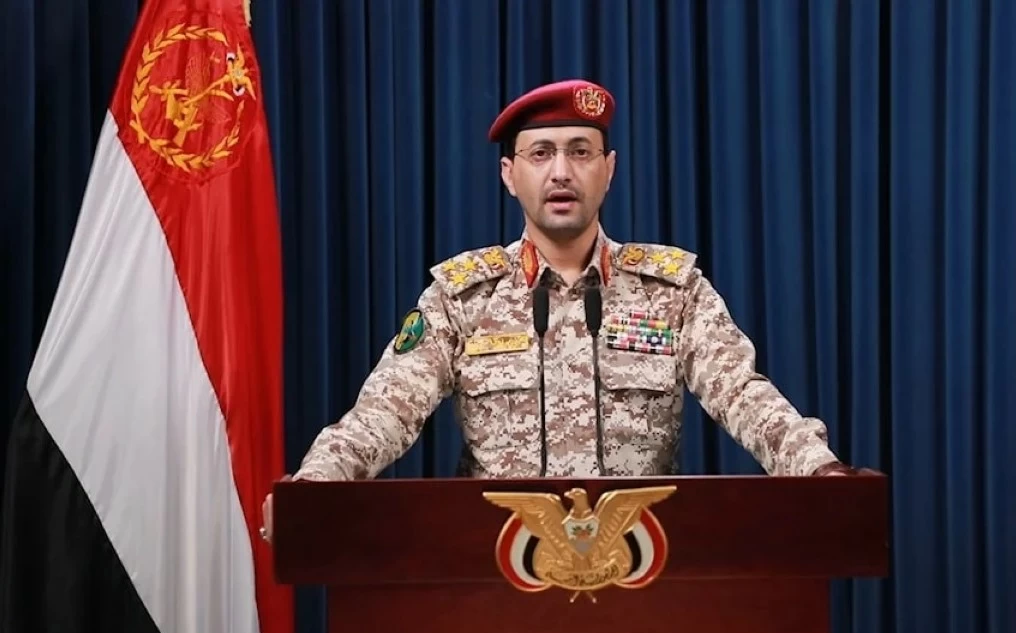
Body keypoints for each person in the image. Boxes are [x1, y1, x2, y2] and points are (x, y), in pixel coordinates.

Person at [259, 79, 852, 542]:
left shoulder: (672, 291)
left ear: (608, 169)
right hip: (496, 570)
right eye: (541, 153)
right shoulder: (463, 297)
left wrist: (818, 471)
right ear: (509, 175)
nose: (562, 172)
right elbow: (385, 411)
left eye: (580, 152)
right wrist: (316, 484)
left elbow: (744, 395)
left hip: (644, 569)